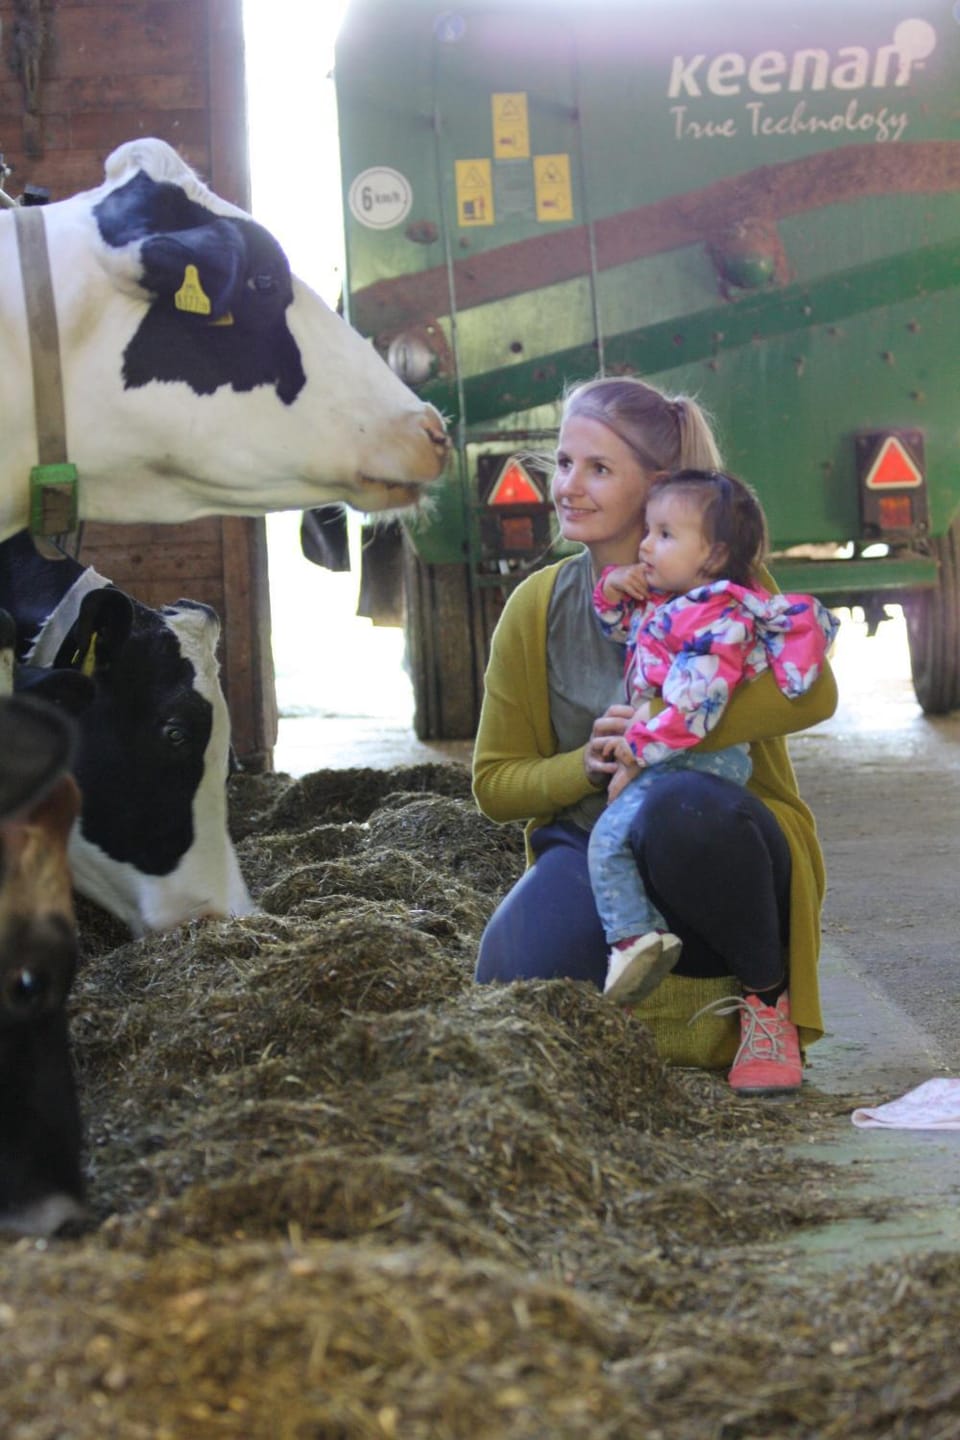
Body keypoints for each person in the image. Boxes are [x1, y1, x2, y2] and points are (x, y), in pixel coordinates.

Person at [472, 375, 839, 1095]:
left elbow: (816, 691)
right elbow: (494, 784)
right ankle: (650, 990)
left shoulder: (718, 576)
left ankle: (767, 1005)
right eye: (565, 461)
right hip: (593, 843)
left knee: (683, 810)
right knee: (511, 971)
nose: (569, 487)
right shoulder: (537, 605)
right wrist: (588, 761)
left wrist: (668, 729)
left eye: (599, 469)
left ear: (658, 485)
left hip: (714, 838)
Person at [588, 468, 840, 1047]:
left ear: (715, 554)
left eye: (665, 535)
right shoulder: (670, 605)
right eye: (647, 532)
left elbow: (698, 708)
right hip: (672, 759)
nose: (646, 545)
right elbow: (614, 624)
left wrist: (637, 748)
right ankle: (636, 941)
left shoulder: (718, 618)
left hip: (696, 768)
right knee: (614, 840)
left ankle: (638, 944)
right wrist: (614, 586)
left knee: (610, 840)